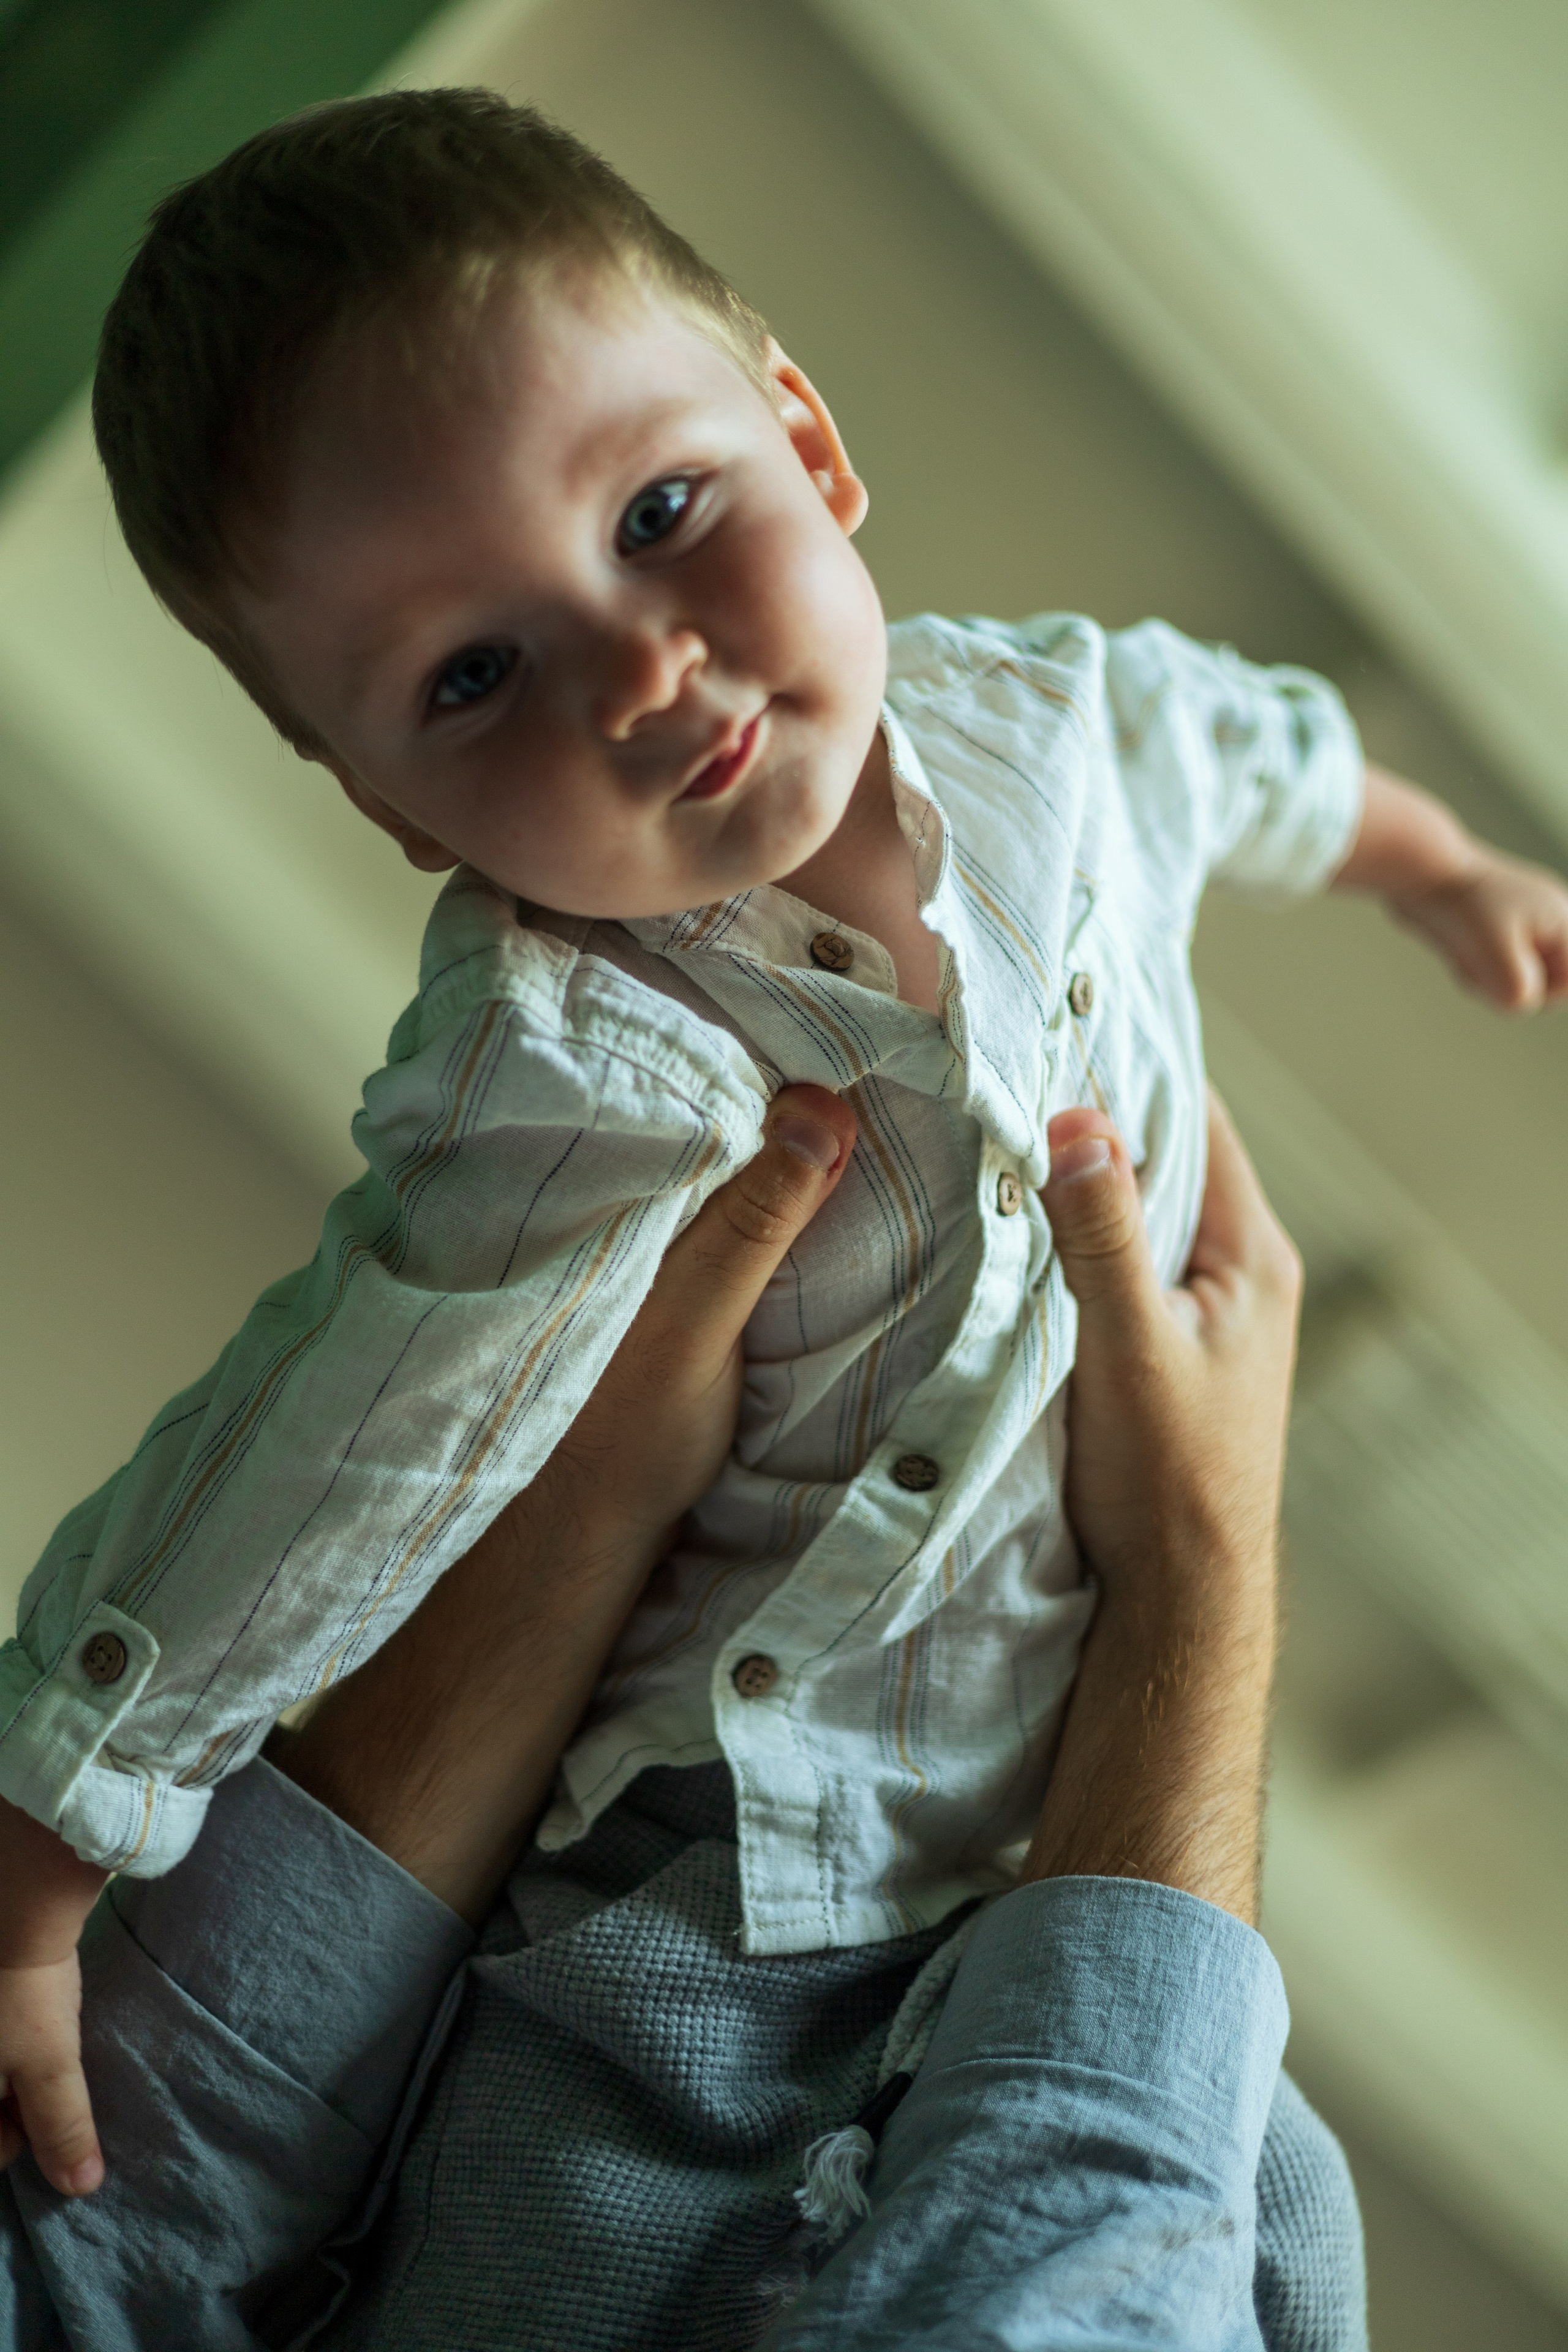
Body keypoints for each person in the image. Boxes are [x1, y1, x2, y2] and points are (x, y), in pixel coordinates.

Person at [1, 80, 1564, 2310]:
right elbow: (330, 1448)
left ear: (808, 443)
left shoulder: (1049, 721)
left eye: (659, 508)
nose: (641, 672)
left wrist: (1437, 864)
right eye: (472, 679)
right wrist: (67, 1807)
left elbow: (1253, 748)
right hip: (698, 1914)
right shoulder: (562, 1067)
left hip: (1019, 1841)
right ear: (393, 812)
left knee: (1257, 2203)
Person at [1, 1086, 1360, 2350]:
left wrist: (568, 1524)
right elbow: (1057, 2286)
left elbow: (99, 2251)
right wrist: (1196, 1566)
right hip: (1081, 2000)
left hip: (532, 1906)